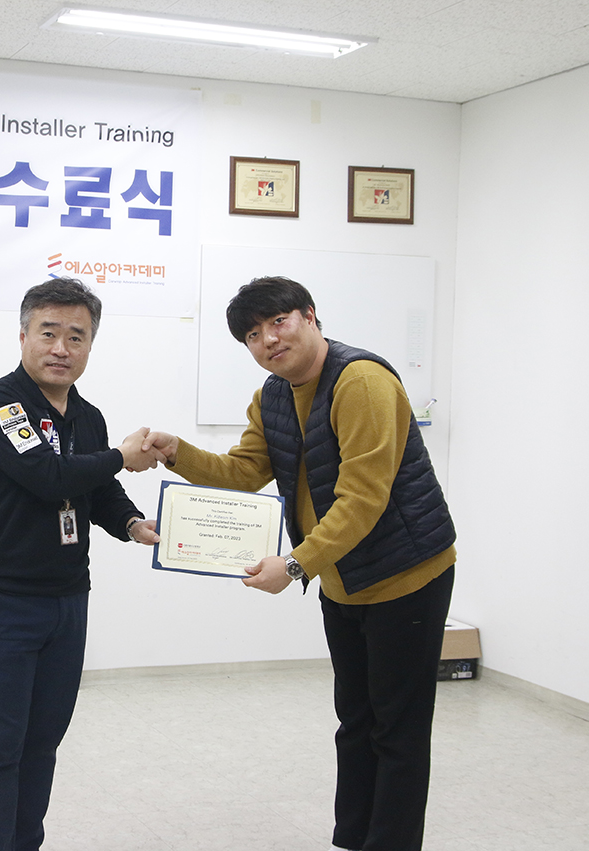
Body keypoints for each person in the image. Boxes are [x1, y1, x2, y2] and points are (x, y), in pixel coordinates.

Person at [142, 276, 457, 851]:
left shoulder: (361, 380)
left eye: (278, 322)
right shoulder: (273, 396)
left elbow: (364, 498)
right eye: (253, 335)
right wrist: (176, 452)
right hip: (343, 578)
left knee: (398, 728)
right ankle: (354, 838)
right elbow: (245, 471)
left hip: (405, 574)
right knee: (355, 720)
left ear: (310, 316)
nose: (268, 340)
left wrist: (294, 566)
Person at [0, 276, 161, 851]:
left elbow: (98, 490)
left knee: (42, 744)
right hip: (1, 598)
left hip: (68, 598)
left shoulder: (88, 416)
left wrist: (132, 523)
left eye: (77, 336)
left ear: (90, 345)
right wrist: (120, 456)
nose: (61, 348)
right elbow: (48, 477)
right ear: (23, 336)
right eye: (49, 333)